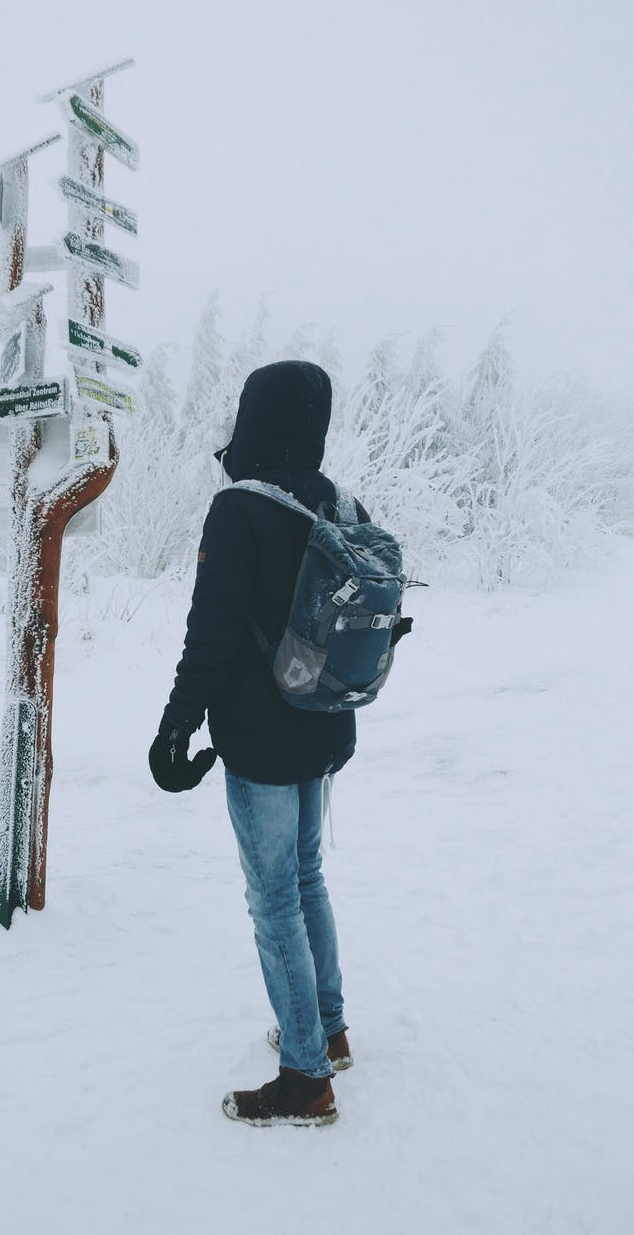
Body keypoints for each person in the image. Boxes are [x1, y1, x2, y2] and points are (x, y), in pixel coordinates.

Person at [148, 359, 408, 1127]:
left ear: (251, 420)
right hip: (327, 722)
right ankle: (325, 1031)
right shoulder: (342, 501)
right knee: (304, 878)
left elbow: (213, 632)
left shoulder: (239, 507)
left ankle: (304, 1078)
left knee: (273, 899)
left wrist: (175, 723)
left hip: (262, 739)